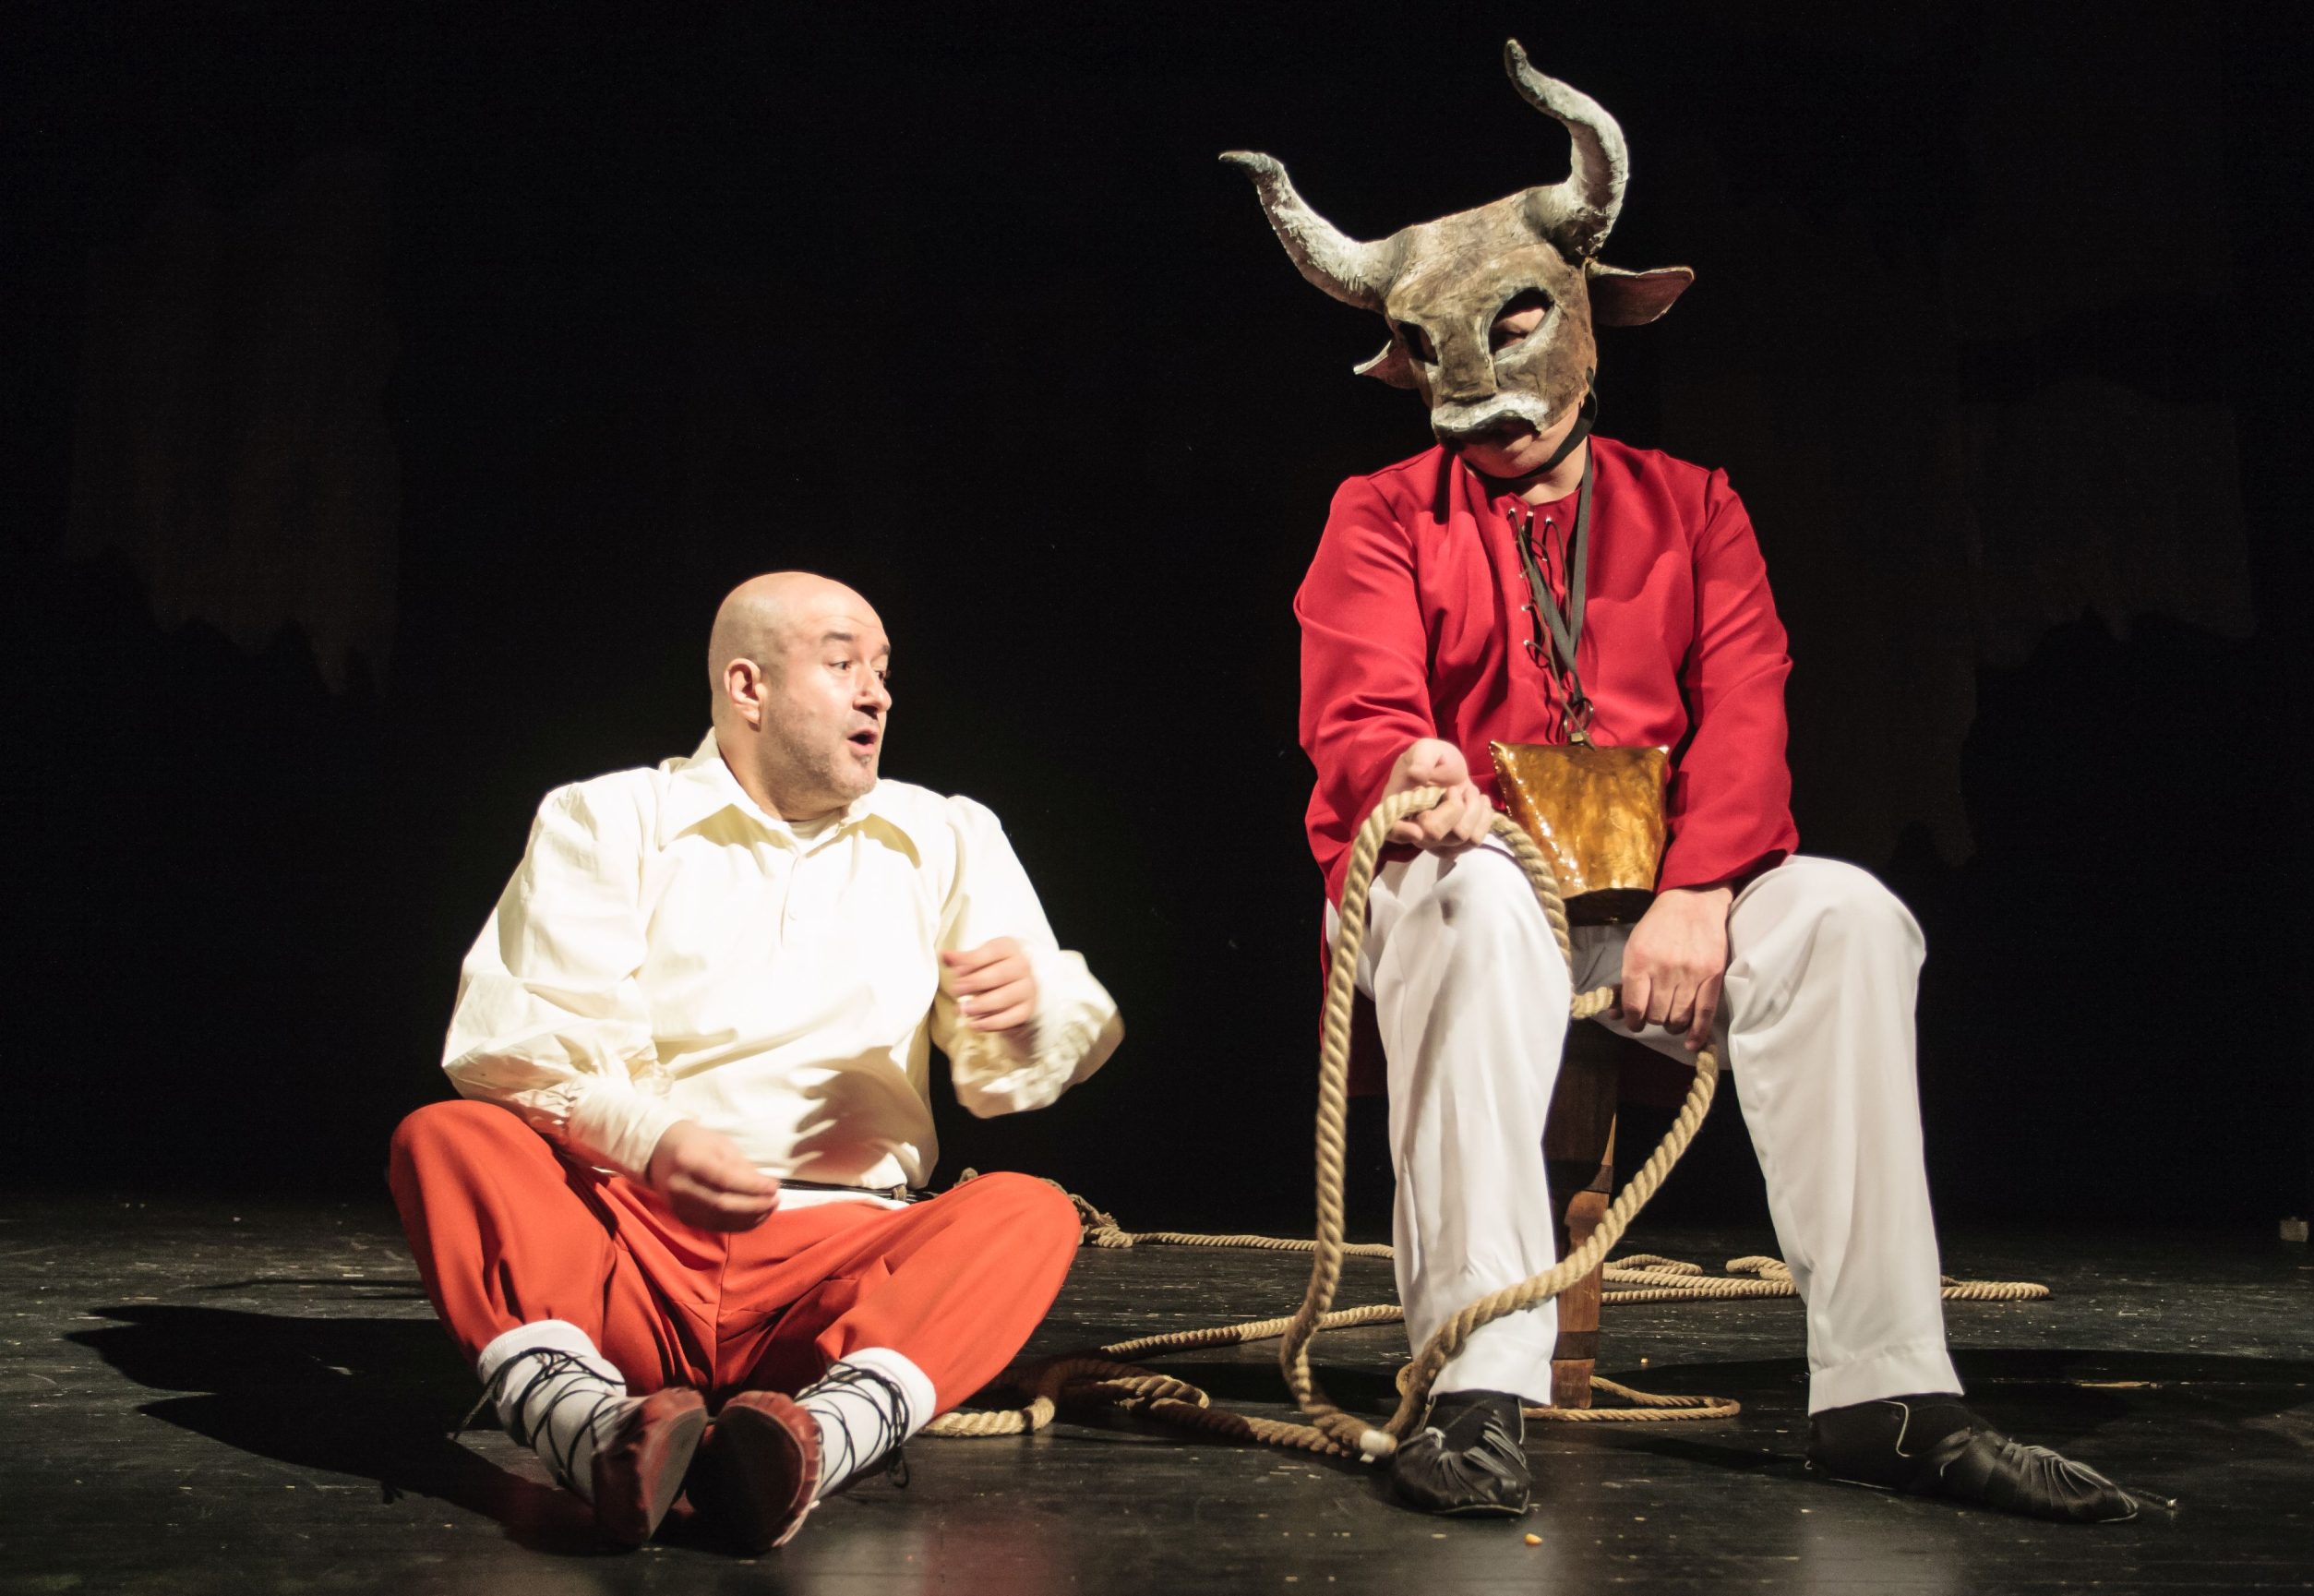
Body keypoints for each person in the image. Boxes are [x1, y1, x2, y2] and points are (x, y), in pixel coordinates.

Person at [1225, 42, 2137, 1523]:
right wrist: (1417, 765)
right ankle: (1475, 1385)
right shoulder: (1381, 512)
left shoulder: (1695, 506)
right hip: (1468, 895)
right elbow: (1359, 702)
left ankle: (1890, 1394)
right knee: (1465, 899)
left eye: (1521, 326)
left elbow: (1750, 710)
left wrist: (1704, 891)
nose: (1489, 401)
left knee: (1846, 917)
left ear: (1591, 312)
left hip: (1665, 898)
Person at [389, 572, 1122, 1552]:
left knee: (1028, 1211)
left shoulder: (947, 833)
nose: (877, 693)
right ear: (749, 688)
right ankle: (597, 1432)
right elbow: (512, 1037)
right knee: (450, 1138)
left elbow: (1008, 1073)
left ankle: (811, 1441)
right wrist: (652, 1139)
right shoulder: (609, 817)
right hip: (636, 1241)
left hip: (836, 1271)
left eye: (883, 670)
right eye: (843, 663)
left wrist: (1035, 1013)